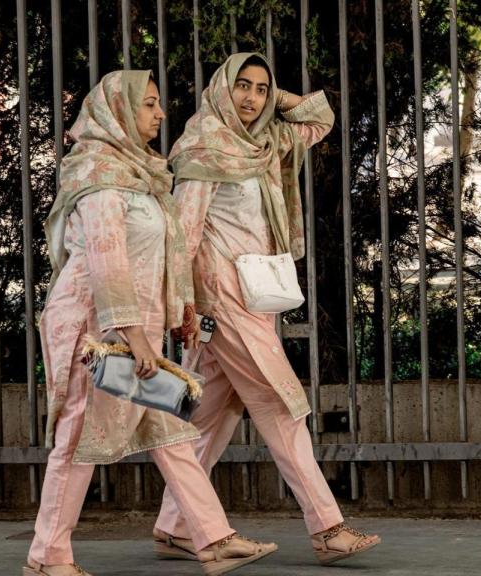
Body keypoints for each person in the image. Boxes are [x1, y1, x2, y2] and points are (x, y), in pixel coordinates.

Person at [25, 69, 275, 576]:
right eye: (150, 104)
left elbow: (167, 250)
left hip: (137, 328)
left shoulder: (144, 173)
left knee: (167, 429)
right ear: (117, 109)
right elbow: (106, 259)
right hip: (92, 327)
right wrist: (134, 334)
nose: (161, 114)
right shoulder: (95, 172)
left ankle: (212, 538)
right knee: (77, 438)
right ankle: (47, 555)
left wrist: (181, 308)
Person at [153, 53, 381, 566]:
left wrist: (278, 97)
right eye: (242, 86)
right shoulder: (203, 147)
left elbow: (319, 119)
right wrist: (182, 305)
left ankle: (173, 525)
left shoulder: (265, 143)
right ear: (220, 89)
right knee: (279, 405)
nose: (252, 97)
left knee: (213, 412)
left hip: (256, 297)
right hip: (220, 297)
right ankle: (327, 528)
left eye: (261, 88)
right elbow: (183, 235)